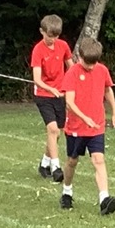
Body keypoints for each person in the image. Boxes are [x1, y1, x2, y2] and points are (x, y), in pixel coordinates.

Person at [59, 36, 115, 214]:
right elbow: (69, 102)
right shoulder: (72, 73)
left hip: (96, 126)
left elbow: (108, 90)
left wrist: (114, 112)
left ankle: (104, 199)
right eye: (88, 63)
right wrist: (84, 118)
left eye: (94, 63)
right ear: (79, 57)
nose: (91, 67)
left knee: (98, 160)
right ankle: (67, 191)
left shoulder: (102, 70)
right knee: (72, 161)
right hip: (76, 127)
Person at [31, 14, 73, 181]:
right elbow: (37, 79)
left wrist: (71, 86)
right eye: (50, 36)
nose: (53, 39)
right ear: (42, 31)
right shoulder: (38, 50)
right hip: (43, 95)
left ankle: (44, 163)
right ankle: (56, 168)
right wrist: (51, 89)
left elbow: (71, 68)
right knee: (53, 129)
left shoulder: (63, 46)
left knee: (57, 134)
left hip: (60, 95)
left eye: (56, 36)